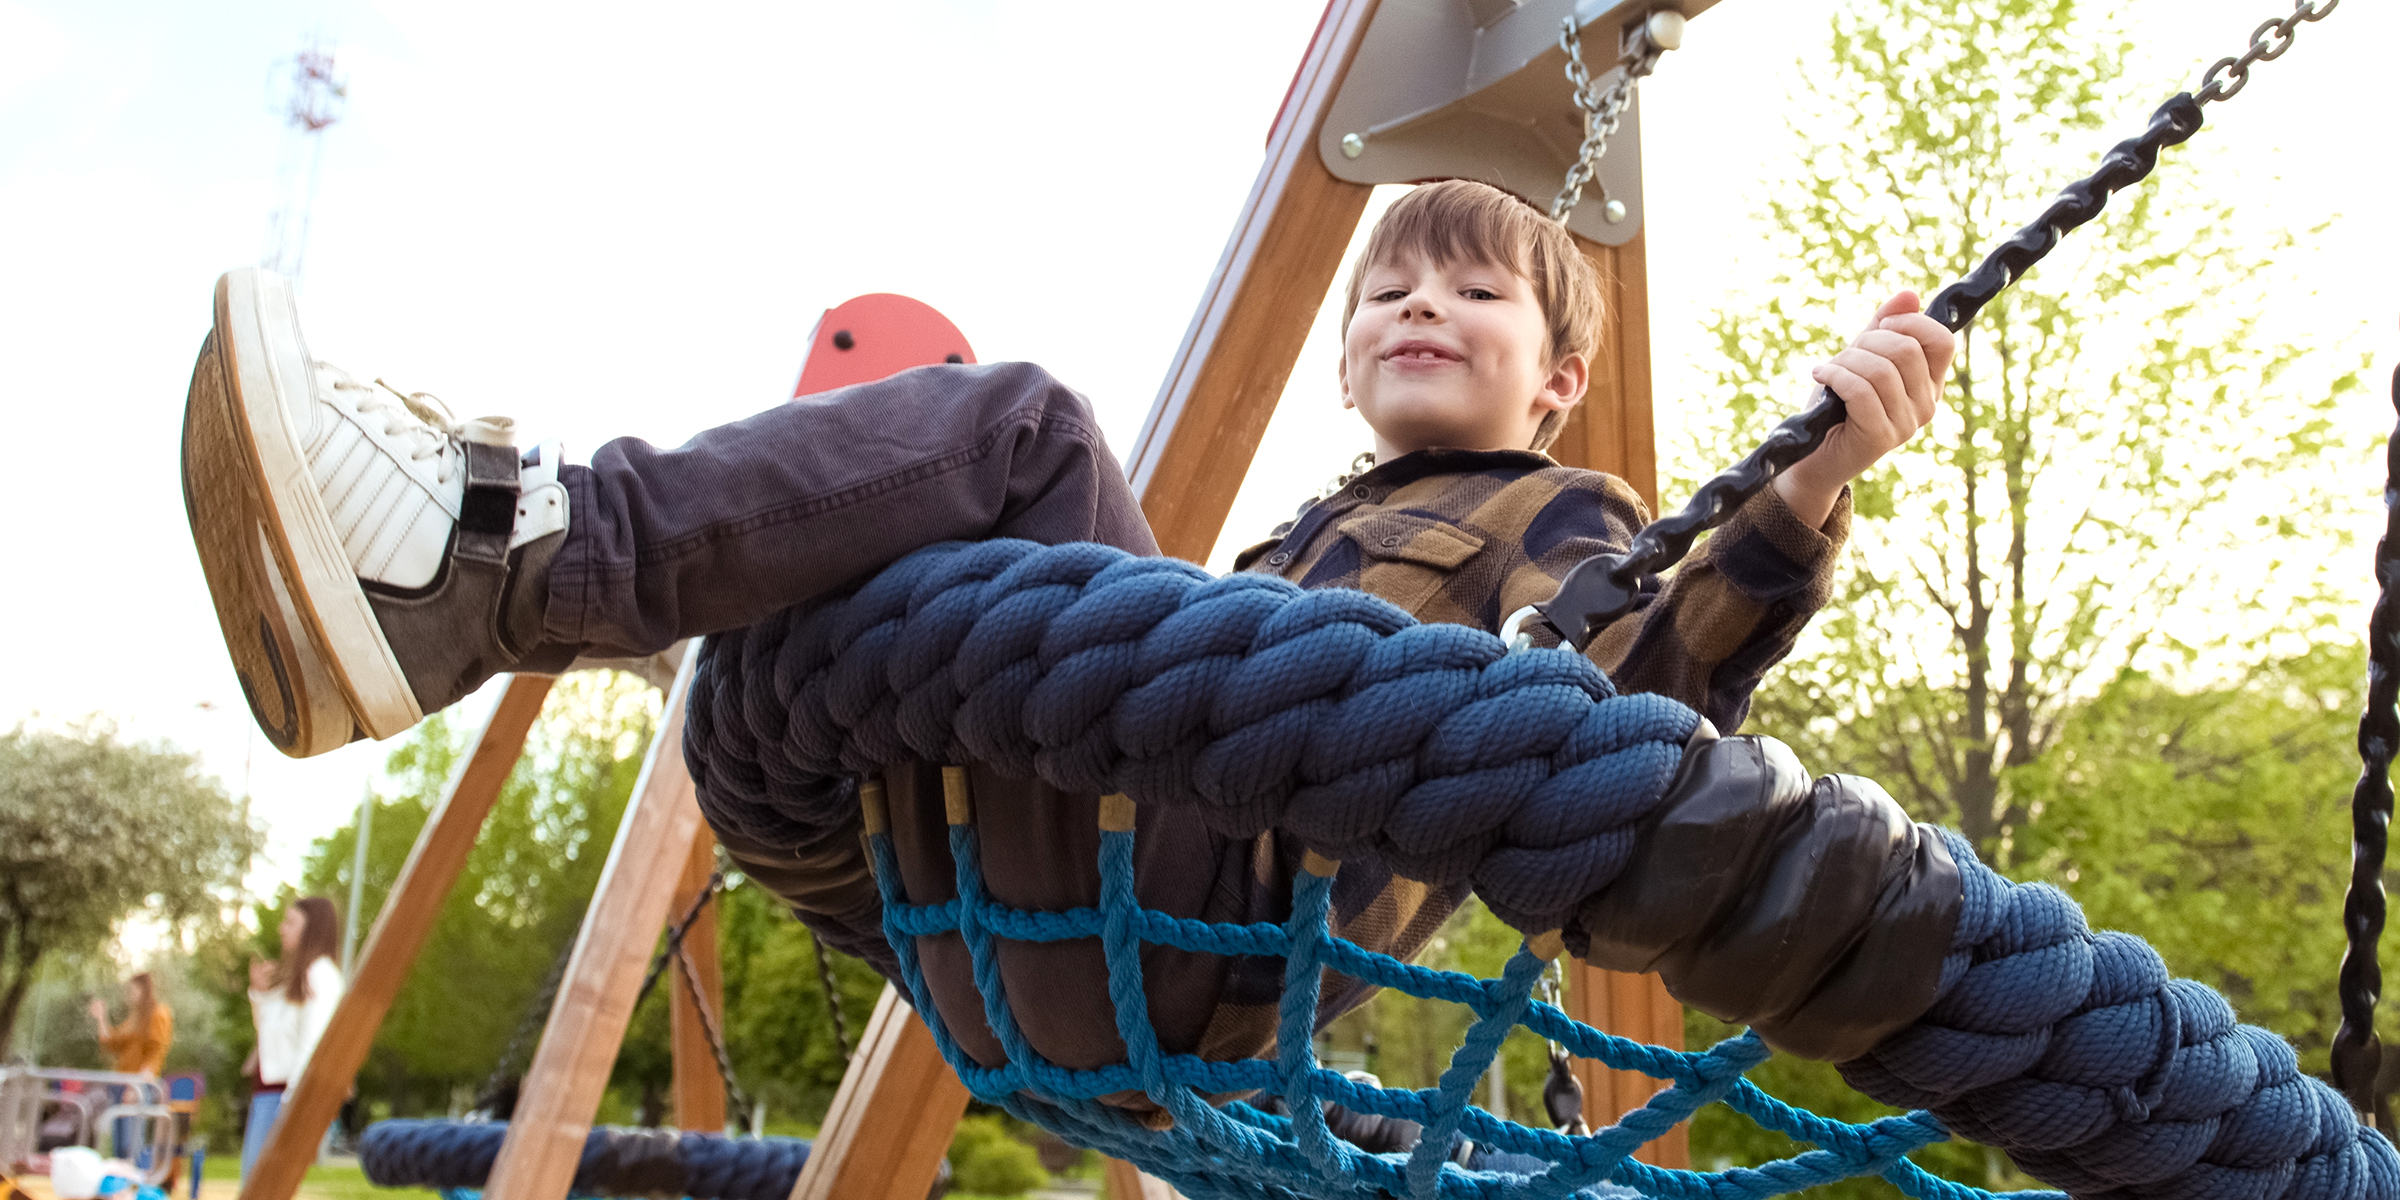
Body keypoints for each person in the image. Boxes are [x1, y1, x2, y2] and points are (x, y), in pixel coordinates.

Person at [181, 181, 1952, 1105]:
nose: (1423, 303)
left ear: (1553, 376)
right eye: (1390, 291)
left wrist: (1802, 490)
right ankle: (568, 600)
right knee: (898, 565)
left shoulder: (1559, 517)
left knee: (1021, 430)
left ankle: (511, 563)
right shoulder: (1283, 549)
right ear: (1348, 364)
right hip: (1017, 944)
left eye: (1477, 292)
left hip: (1199, 946)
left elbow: (1649, 705)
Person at [240, 897, 342, 1183]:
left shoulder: (320, 976)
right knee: (255, 1186)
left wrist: (292, 1107)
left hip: (284, 1097)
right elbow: (269, 1041)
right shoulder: (297, 977)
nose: (282, 929)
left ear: (312, 928)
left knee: (261, 1188)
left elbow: (312, 1045)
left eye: (290, 922)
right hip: (268, 1095)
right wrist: (258, 993)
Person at [88, 973, 173, 1165]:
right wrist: (101, 1017)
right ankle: (122, 1188)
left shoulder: (158, 1014)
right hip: (121, 1084)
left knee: (131, 1144)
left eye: (133, 990)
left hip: (137, 1086)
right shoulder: (134, 1019)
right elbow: (112, 1043)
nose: (129, 994)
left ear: (144, 990)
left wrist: (138, 1087)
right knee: (119, 1144)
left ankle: (135, 1186)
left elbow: (155, 1052)